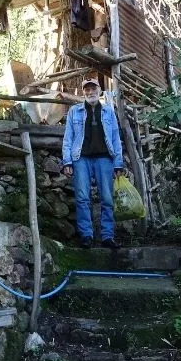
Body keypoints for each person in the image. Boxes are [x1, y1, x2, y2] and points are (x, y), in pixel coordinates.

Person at [61, 78, 126, 249]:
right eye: (87, 90)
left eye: (93, 89)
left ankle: (107, 236)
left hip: (104, 158)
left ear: (100, 91)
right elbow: (68, 139)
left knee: (107, 198)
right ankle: (86, 236)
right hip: (81, 158)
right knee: (82, 198)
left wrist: (118, 163)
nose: (90, 93)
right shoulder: (74, 111)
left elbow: (115, 138)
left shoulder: (108, 112)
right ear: (83, 92)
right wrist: (67, 161)